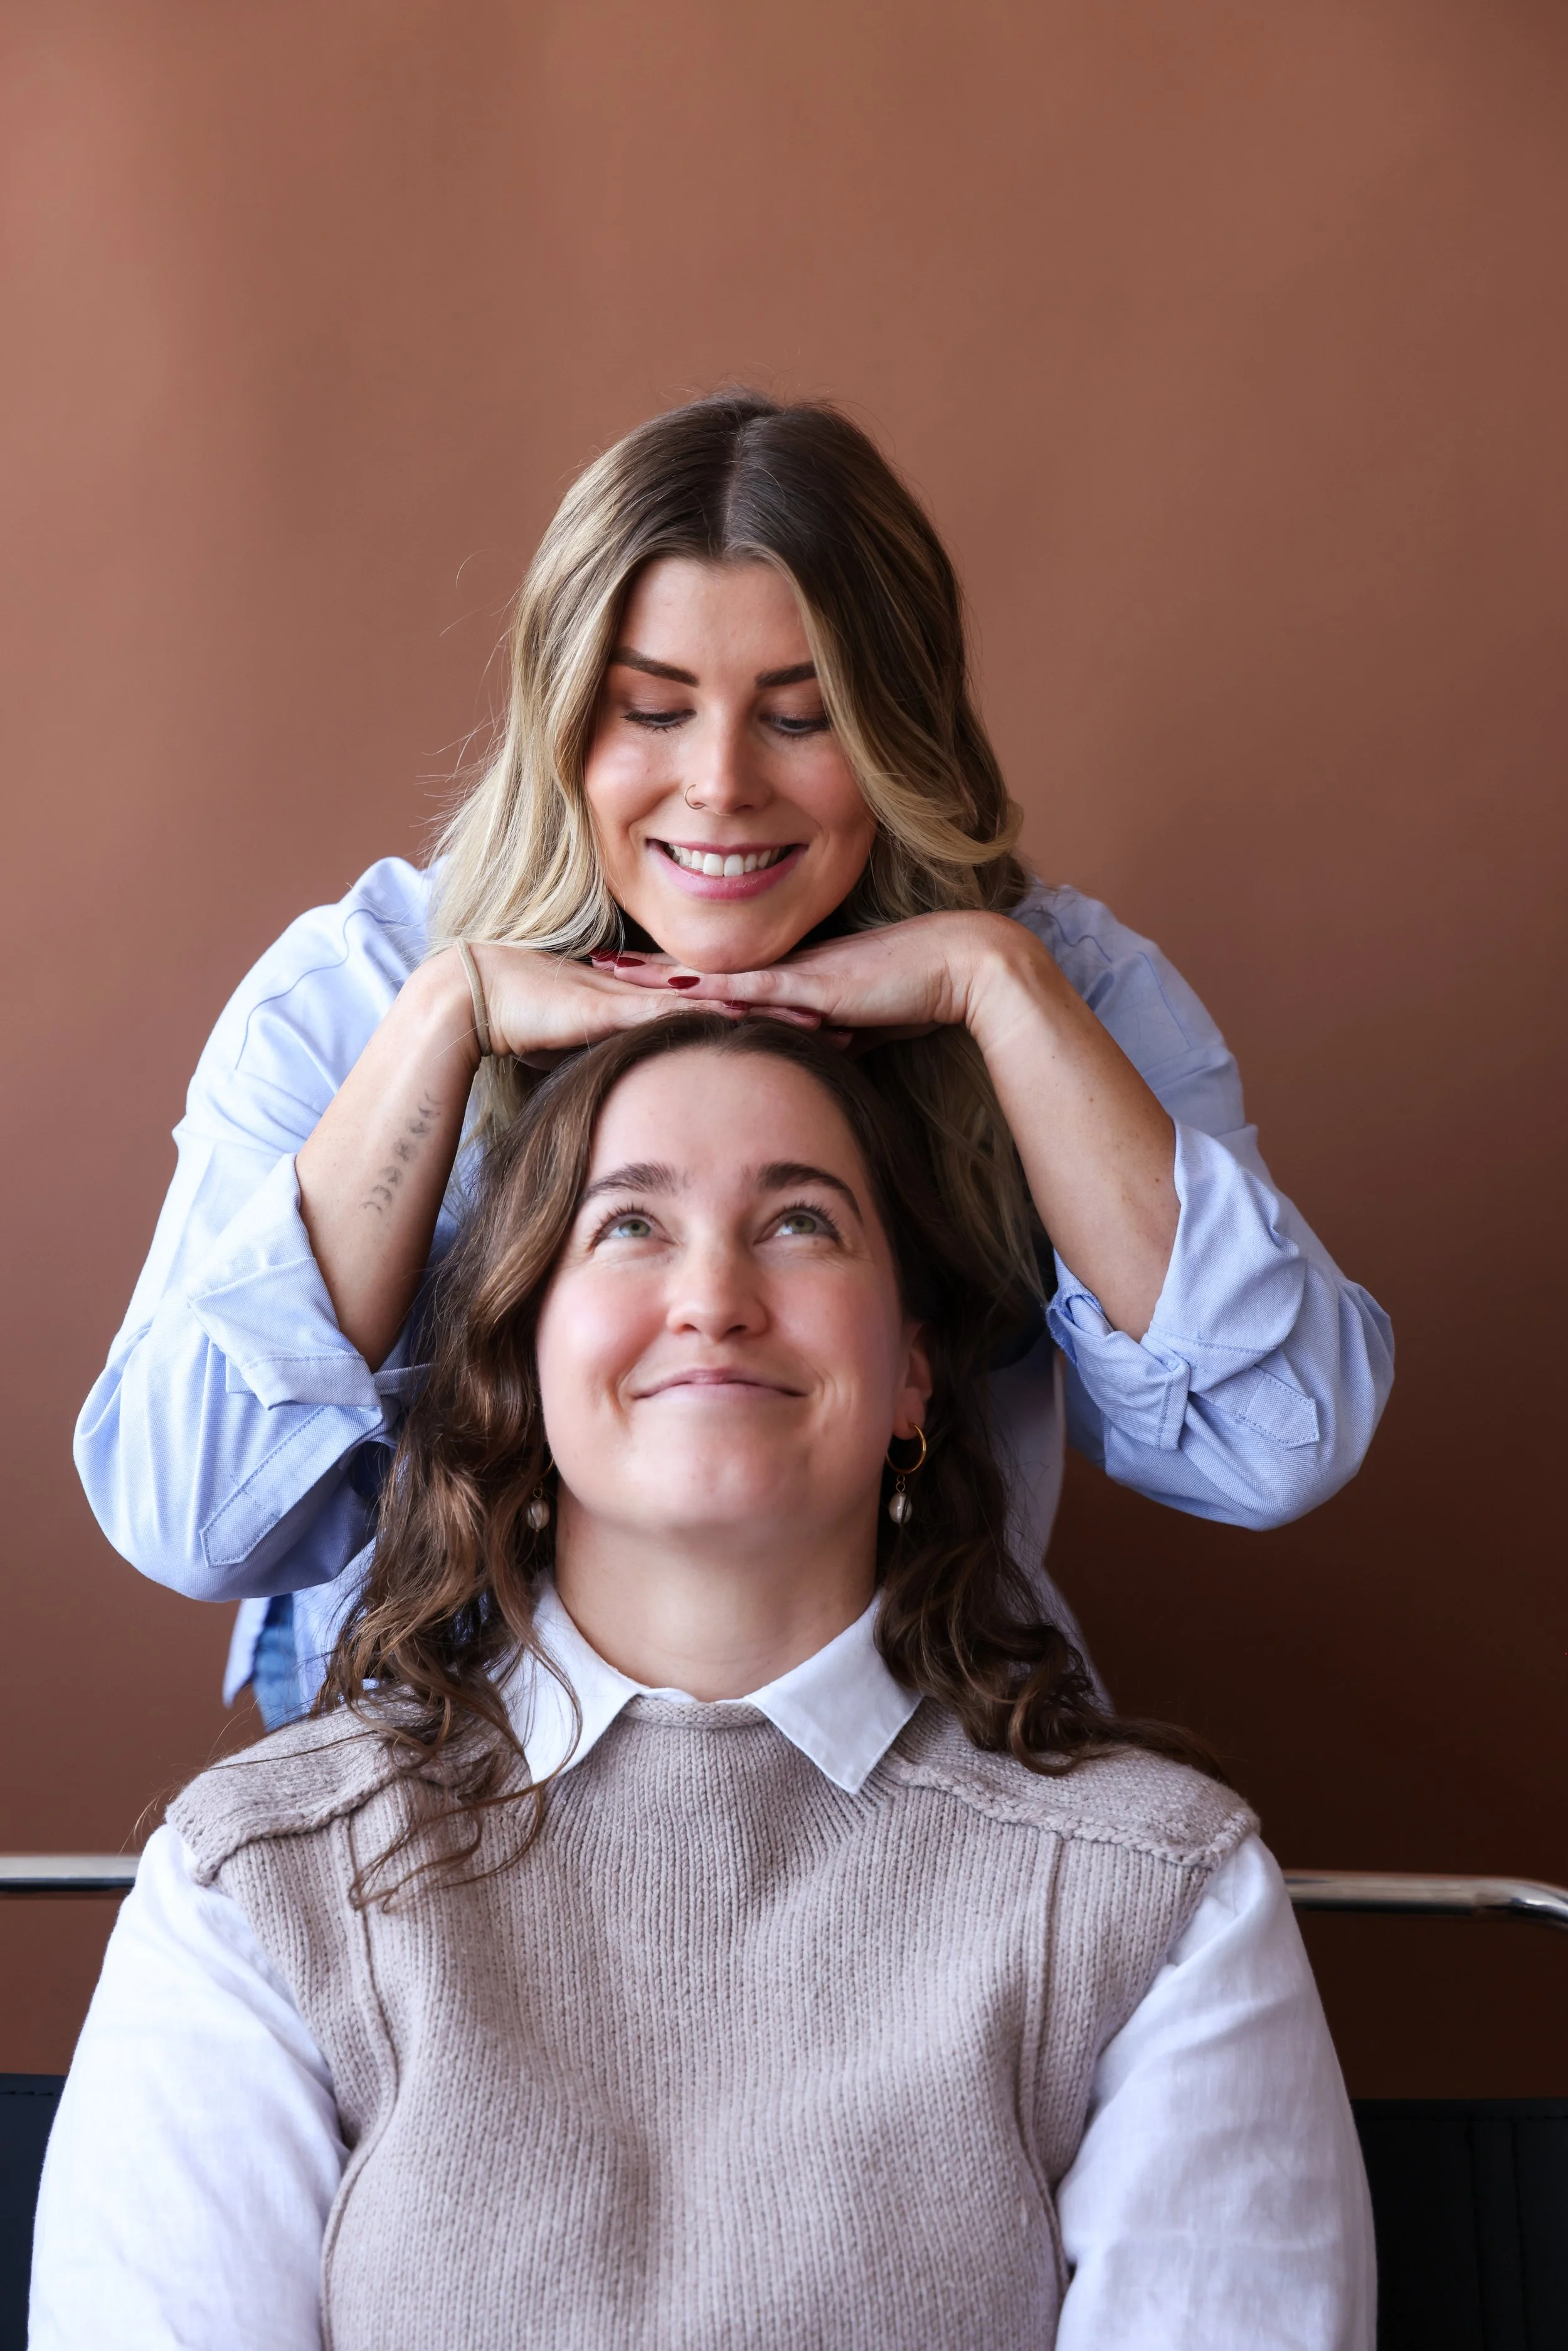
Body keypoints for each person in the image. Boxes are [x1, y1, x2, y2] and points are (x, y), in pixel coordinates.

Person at [34, 1018, 1374, 2350]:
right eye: (627, 1225)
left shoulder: (1164, 1894)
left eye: (800, 1222)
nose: (714, 1295)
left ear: (912, 1372)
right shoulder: (249, 1891)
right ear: (520, 1356)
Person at [74, 391, 1393, 1724]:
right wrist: (441, 1023)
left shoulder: (1064, 984)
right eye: (651, 710)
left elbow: (1274, 1444)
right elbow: (193, 1517)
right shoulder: (359, 988)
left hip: (893, 1722)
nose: (718, 783)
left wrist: (995, 983)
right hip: (433, 1743)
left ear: (895, 731)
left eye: (800, 715)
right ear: (561, 721)